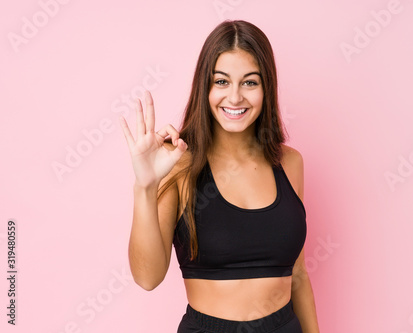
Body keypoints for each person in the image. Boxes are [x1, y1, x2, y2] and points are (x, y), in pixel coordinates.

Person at [119, 20, 320, 333]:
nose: (235, 97)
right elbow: (148, 278)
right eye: (222, 82)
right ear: (205, 87)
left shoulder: (290, 163)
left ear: (266, 87)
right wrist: (145, 186)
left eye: (250, 83)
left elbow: (297, 274)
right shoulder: (179, 163)